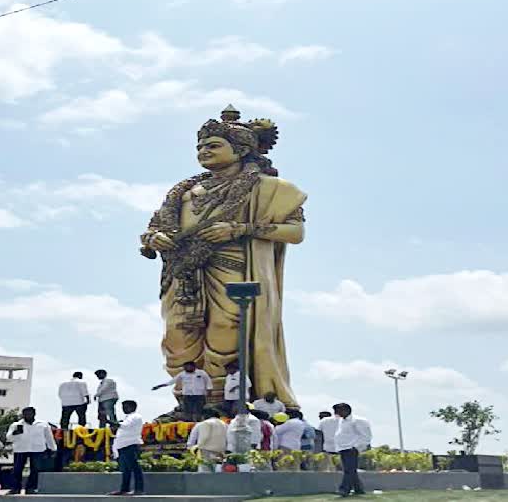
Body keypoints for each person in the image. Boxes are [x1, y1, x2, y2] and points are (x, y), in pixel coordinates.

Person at [141, 109, 307, 408]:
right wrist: (154, 238)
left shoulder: (269, 189)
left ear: (241, 149)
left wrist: (241, 229)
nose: (204, 151)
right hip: (183, 270)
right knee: (177, 335)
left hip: (235, 268)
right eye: (200, 147)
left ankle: (221, 402)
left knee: (227, 331)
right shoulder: (184, 191)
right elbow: (155, 228)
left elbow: (295, 232)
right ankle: (187, 403)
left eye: (213, 145)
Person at [5, 407, 56, 495]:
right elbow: (8, 438)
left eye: (29, 413)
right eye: (25, 414)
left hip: (37, 449)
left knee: (36, 469)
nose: (27, 415)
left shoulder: (42, 424)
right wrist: (15, 433)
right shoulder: (16, 425)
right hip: (21, 450)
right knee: (17, 469)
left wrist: (53, 448)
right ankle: (15, 488)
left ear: (34, 414)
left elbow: (49, 437)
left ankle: (31, 488)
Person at [333, 403, 371, 497]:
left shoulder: (358, 421)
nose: (336, 413)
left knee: (349, 471)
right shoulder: (342, 421)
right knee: (350, 470)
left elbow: (366, 436)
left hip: (351, 449)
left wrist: (357, 447)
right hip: (343, 448)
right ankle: (358, 489)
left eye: (338, 411)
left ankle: (344, 490)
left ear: (346, 410)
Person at [110, 400, 145, 496]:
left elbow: (125, 426)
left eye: (126, 406)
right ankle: (124, 489)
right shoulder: (127, 418)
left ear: (132, 407)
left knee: (135, 467)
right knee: (126, 470)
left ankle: (139, 489)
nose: (124, 409)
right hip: (123, 446)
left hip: (130, 445)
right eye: (123, 407)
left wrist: (108, 421)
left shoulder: (135, 416)